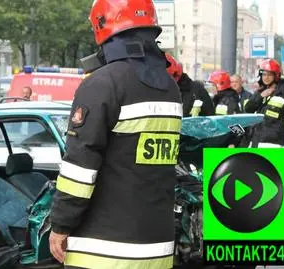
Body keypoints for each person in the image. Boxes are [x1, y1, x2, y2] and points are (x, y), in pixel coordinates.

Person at [49, 0, 183, 268]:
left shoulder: (102, 83)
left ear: (102, 26)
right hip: (157, 248)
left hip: (103, 251)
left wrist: (61, 224)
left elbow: (80, 167)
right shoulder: (169, 87)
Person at [245, 59, 284, 191]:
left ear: (276, 76)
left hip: (274, 143)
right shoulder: (261, 92)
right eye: (264, 74)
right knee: (256, 184)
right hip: (257, 140)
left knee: (271, 186)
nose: (266, 78)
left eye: (269, 74)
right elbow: (247, 109)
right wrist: (261, 96)